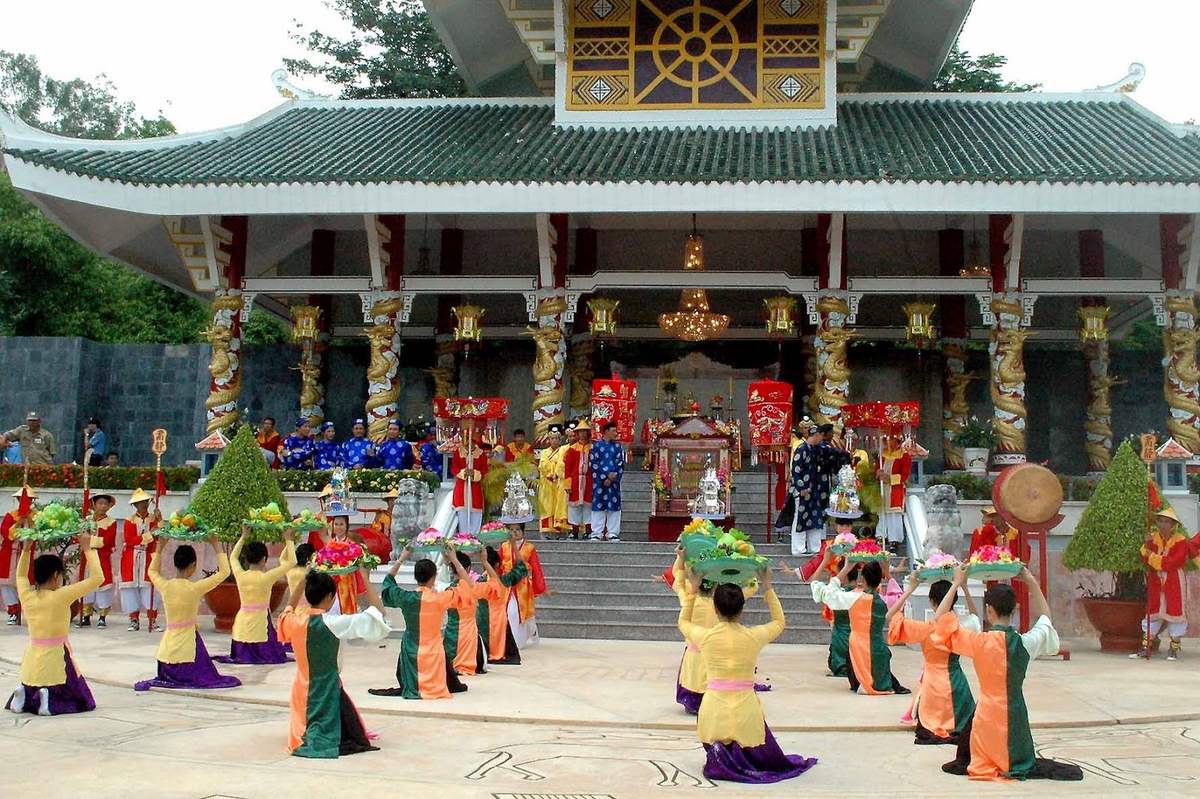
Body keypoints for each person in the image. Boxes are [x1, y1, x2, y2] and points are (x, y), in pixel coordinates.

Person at [935, 566, 1083, 782]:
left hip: (986, 718)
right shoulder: (1024, 643)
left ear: (989, 611)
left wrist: (957, 582)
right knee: (1016, 755)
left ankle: (989, 761)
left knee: (983, 755)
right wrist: (1031, 580)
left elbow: (940, 621)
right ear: (1014, 610)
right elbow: (1046, 620)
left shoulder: (978, 642)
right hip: (1016, 717)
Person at [678, 565, 817, 783]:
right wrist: (768, 587)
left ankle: (721, 760)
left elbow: (683, 622)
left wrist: (693, 589)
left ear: (715, 609)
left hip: (713, 711)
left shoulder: (705, 637)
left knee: (716, 732)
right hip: (746, 710)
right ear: (742, 609)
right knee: (749, 734)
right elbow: (780, 622)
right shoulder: (753, 636)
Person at [279, 569, 391, 758]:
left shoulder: (293, 621)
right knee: (348, 732)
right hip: (327, 687)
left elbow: (288, 608)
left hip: (301, 687)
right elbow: (379, 613)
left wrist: (302, 581)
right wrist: (363, 576)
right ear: (331, 596)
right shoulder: (334, 622)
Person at [5, 532, 103, 715]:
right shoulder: (61, 595)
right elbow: (98, 578)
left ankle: (24, 695)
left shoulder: (27, 595)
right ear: (56, 575)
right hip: (56, 656)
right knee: (83, 700)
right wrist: (88, 549)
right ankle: (47, 701)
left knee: (33, 681)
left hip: (32, 659)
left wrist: (26, 550)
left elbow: (20, 577)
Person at [134, 536, 241, 691]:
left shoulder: (165, 586)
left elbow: (151, 571)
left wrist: (160, 547)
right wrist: (215, 544)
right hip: (188, 653)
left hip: (166, 658)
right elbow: (225, 572)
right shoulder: (195, 588)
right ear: (193, 565)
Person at [887, 574, 978, 745]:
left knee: (929, 719)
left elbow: (891, 616)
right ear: (954, 600)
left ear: (931, 601)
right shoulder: (961, 627)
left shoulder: (925, 629)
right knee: (966, 722)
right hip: (957, 687)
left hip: (931, 687)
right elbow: (975, 617)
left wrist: (911, 588)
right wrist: (963, 586)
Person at [370, 546, 472, 699]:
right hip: (434, 652)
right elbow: (467, 586)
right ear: (434, 577)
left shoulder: (406, 598)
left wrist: (401, 559)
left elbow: (388, 584)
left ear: (415, 577)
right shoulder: (440, 598)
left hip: (411, 651)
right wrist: (454, 559)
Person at [809, 549, 909, 695]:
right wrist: (892, 576)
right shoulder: (883, 599)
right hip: (879, 649)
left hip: (857, 648)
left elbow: (826, 593)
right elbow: (897, 598)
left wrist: (846, 568)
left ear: (863, 579)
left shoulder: (854, 598)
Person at [214, 530, 296, 664]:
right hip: (260, 624)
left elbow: (233, 558)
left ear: (246, 559)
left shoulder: (240, 575)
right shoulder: (267, 577)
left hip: (242, 626)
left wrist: (243, 537)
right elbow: (292, 561)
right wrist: (288, 539)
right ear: (264, 559)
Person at [1130, 506, 1191, 660]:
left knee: (1175, 612)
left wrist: (1153, 557)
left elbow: (1174, 562)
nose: (1163, 524)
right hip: (1156, 580)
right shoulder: (1152, 538)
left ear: (1173, 525)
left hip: (1174, 580)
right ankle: (1145, 647)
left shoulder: (1181, 541)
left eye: (1167, 522)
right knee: (1153, 611)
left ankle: (1174, 648)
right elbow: (1145, 557)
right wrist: (1149, 547)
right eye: (1160, 521)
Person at [444, 551, 506, 675]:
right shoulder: (474, 588)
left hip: (451, 633)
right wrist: (484, 562)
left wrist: (450, 560)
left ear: (451, 569)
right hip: (469, 633)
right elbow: (497, 584)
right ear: (468, 568)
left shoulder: (448, 590)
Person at [119, 488, 162, 631]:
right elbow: (130, 540)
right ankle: (134, 620)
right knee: (131, 589)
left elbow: (160, 535)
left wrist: (160, 520)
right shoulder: (129, 521)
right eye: (139, 502)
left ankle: (153, 620)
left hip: (148, 556)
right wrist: (149, 535)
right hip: (131, 558)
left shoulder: (153, 519)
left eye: (145, 501)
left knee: (149, 588)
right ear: (134, 505)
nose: (143, 504)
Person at [478, 541, 528, 665]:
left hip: (482, 620)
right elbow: (521, 567)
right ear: (497, 564)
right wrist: (514, 545)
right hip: (500, 620)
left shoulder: (478, 581)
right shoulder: (504, 580)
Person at [500, 525, 548, 649]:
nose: (514, 532)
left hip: (522, 587)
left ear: (523, 532)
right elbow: (498, 564)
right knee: (511, 612)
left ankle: (521, 638)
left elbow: (536, 568)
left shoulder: (529, 548)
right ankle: (512, 640)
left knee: (523, 614)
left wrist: (540, 587)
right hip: (507, 585)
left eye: (517, 530)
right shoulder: (504, 546)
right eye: (512, 530)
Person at [78, 494, 118, 628]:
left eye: (105, 504)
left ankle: (102, 616)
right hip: (87, 557)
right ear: (94, 504)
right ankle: (86, 615)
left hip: (102, 557)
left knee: (103, 586)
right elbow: (80, 536)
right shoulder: (87, 520)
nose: (103, 506)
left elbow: (108, 541)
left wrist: (89, 541)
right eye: (100, 503)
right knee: (87, 586)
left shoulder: (111, 522)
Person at [1, 487, 36, 625]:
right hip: (10, 554)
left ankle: (28, 611)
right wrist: (18, 523)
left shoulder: (35, 516)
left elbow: (39, 534)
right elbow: (5, 534)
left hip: (27, 552)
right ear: (18, 500)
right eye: (22, 500)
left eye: (28, 500)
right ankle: (13, 611)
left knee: (26, 583)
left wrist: (29, 523)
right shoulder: (11, 515)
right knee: (7, 584)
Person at [788, 423, 824, 556]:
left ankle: (815, 547)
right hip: (803, 490)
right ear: (815, 435)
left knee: (815, 518)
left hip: (815, 490)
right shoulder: (801, 449)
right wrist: (801, 487)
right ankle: (798, 548)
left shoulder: (817, 450)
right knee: (800, 518)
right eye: (820, 436)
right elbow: (795, 470)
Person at [589, 421, 625, 542]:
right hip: (599, 482)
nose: (616, 433)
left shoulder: (618, 447)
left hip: (614, 482)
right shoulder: (596, 446)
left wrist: (612, 477)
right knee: (598, 506)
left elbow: (620, 463)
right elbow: (594, 463)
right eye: (613, 431)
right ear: (606, 432)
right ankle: (596, 532)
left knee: (614, 507)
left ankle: (613, 532)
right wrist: (605, 476)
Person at [877, 434, 912, 554]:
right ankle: (880, 537)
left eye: (891, 439)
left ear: (897, 441)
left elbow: (905, 475)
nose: (888, 442)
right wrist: (878, 473)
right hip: (882, 489)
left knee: (894, 515)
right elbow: (877, 470)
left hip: (895, 489)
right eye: (887, 439)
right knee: (882, 514)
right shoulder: (882, 455)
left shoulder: (904, 455)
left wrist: (889, 478)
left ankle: (894, 541)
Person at [450, 435, 489, 535]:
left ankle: (474, 543)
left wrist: (474, 473)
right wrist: (464, 472)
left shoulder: (481, 454)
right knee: (462, 521)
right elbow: (454, 468)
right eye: (466, 439)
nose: (468, 442)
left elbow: (485, 470)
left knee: (476, 519)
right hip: (461, 489)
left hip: (475, 490)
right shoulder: (458, 452)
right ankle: (463, 542)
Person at [562, 419, 594, 540]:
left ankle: (588, 530)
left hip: (589, 479)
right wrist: (568, 484)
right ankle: (574, 531)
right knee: (574, 507)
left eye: (584, 431)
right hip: (575, 480)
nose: (582, 434)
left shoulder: (593, 447)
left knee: (588, 506)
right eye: (580, 431)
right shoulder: (572, 448)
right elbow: (568, 468)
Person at [536, 424, 569, 537]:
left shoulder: (563, 450)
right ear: (549, 440)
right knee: (547, 506)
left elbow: (562, 464)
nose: (554, 440)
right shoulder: (544, 452)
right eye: (552, 438)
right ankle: (546, 530)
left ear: (560, 439)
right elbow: (543, 465)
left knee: (559, 506)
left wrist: (556, 473)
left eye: (556, 438)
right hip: (547, 483)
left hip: (559, 482)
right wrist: (550, 473)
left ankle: (560, 531)